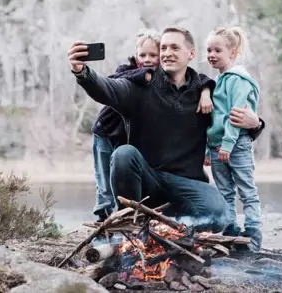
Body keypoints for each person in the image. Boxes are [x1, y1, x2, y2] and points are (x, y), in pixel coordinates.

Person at [67, 27, 266, 232]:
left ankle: (173, 227)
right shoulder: (141, 84)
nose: (167, 53)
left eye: (174, 47)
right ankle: (131, 225)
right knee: (123, 155)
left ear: (191, 54)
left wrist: (256, 125)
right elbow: (108, 88)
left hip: (187, 184)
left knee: (220, 213)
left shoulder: (205, 92)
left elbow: (226, 123)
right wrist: (82, 72)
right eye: (163, 48)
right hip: (148, 180)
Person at [90, 29, 161, 222]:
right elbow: (111, 81)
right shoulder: (127, 69)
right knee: (104, 180)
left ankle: (121, 215)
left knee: (119, 177)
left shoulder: (162, 78)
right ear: (136, 55)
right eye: (142, 55)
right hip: (105, 132)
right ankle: (102, 217)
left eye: (153, 55)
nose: (147, 59)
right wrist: (143, 74)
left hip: (126, 137)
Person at [204, 26, 263, 251]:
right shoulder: (216, 81)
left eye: (218, 50)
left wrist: (228, 144)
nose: (212, 54)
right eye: (209, 50)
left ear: (233, 52)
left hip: (236, 144)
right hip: (217, 146)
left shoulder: (239, 80)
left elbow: (236, 114)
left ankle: (253, 232)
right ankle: (230, 229)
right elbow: (210, 121)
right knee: (224, 191)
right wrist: (208, 150)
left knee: (247, 190)